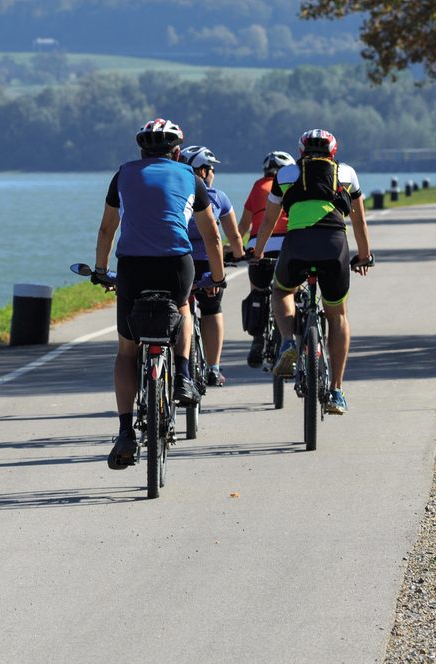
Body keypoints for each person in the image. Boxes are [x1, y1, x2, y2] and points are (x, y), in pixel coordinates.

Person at [93, 117, 228, 469]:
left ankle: (125, 430)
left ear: (140, 149)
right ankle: (182, 375)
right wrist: (217, 274)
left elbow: (108, 227)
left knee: (126, 351)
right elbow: (212, 235)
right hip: (175, 264)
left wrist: (99, 270)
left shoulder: (123, 174)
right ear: (178, 151)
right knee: (182, 306)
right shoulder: (190, 177)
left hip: (133, 267)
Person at [248, 129, 372, 414]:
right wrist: (364, 256)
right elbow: (359, 222)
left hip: (298, 246)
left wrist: (258, 253)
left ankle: (289, 341)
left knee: (281, 290)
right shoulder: (347, 175)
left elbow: (268, 222)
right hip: (334, 246)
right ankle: (337, 391)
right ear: (333, 153)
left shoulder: (286, 175)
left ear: (301, 152)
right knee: (337, 315)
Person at [180, 145, 247, 387]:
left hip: (180, 260)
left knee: (180, 308)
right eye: (211, 168)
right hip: (208, 262)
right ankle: (213, 367)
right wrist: (238, 254)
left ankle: (182, 366)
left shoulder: (176, 195)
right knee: (212, 309)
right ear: (203, 171)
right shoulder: (218, 197)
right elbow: (234, 236)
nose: (213, 174)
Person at [237, 150, 294, 367]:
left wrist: (233, 249)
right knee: (289, 290)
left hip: (258, 247)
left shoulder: (257, 186)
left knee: (258, 291)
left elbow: (243, 226)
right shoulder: (291, 185)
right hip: (287, 245)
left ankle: (257, 340)